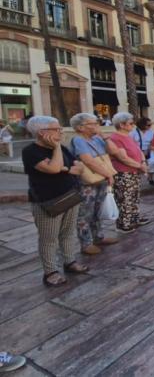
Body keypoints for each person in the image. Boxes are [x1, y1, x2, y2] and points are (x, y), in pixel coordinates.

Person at [22, 115, 89, 286]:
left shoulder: (64, 149)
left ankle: (70, 261)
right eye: (56, 129)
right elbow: (53, 168)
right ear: (42, 133)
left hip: (70, 196)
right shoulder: (31, 151)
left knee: (68, 232)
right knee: (49, 238)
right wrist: (57, 149)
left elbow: (79, 167)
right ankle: (50, 271)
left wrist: (63, 168)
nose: (61, 132)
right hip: (48, 201)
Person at [69, 113, 119, 255]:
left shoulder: (97, 139)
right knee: (85, 213)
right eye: (92, 123)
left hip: (101, 178)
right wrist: (108, 174)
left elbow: (112, 151)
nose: (96, 125)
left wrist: (104, 136)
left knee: (97, 209)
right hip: (88, 182)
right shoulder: (78, 140)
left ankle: (98, 236)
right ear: (80, 127)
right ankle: (86, 243)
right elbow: (88, 160)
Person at [105, 113, 148, 233]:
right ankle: (124, 224)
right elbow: (122, 158)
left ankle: (134, 218)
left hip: (134, 171)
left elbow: (138, 150)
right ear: (121, 125)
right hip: (123, 173)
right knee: (125, 198)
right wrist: (140, 166)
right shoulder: (115, 138)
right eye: (130, 123)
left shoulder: (128, 136)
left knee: (135, 196)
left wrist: (143, 161)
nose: (133, 125)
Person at [130, 117, 154, 187]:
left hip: (148, 150)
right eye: (148, 125)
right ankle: (137, 179)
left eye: (150, 125)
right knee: (138, 165)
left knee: (152, 162)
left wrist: (148, 150)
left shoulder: (151, 132)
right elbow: (131, 143)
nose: (150, 126)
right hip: (137, 151)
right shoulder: (133, 132)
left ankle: (150, 178)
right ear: (142, 125)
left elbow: (152, 142)